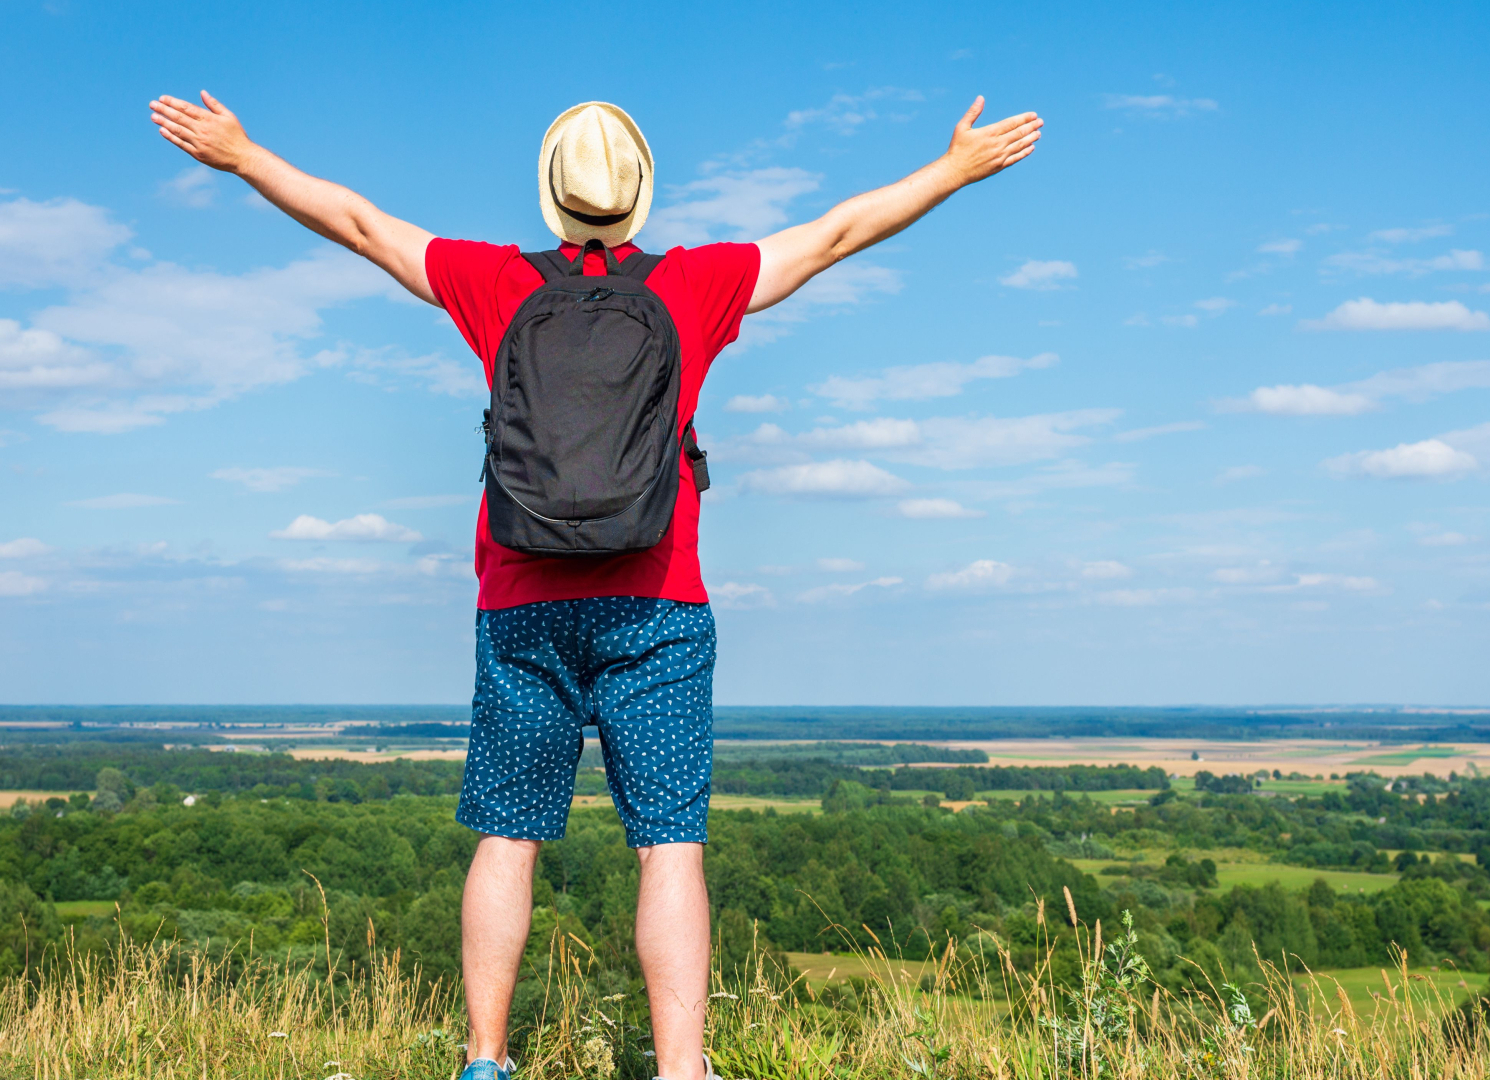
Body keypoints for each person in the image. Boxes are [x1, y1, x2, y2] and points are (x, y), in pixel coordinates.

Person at [148, 90, 1042, 1080]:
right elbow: (833, 234)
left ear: (552, 199)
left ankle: (486, 1061)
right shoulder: (694, 286)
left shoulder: (490, 282)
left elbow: (358, 221)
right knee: (669, 847)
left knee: (507, 836)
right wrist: (952, 172)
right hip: (658, 602)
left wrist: (244, 156)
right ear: (639, 200)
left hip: (521, 607)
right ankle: (680, 1069)